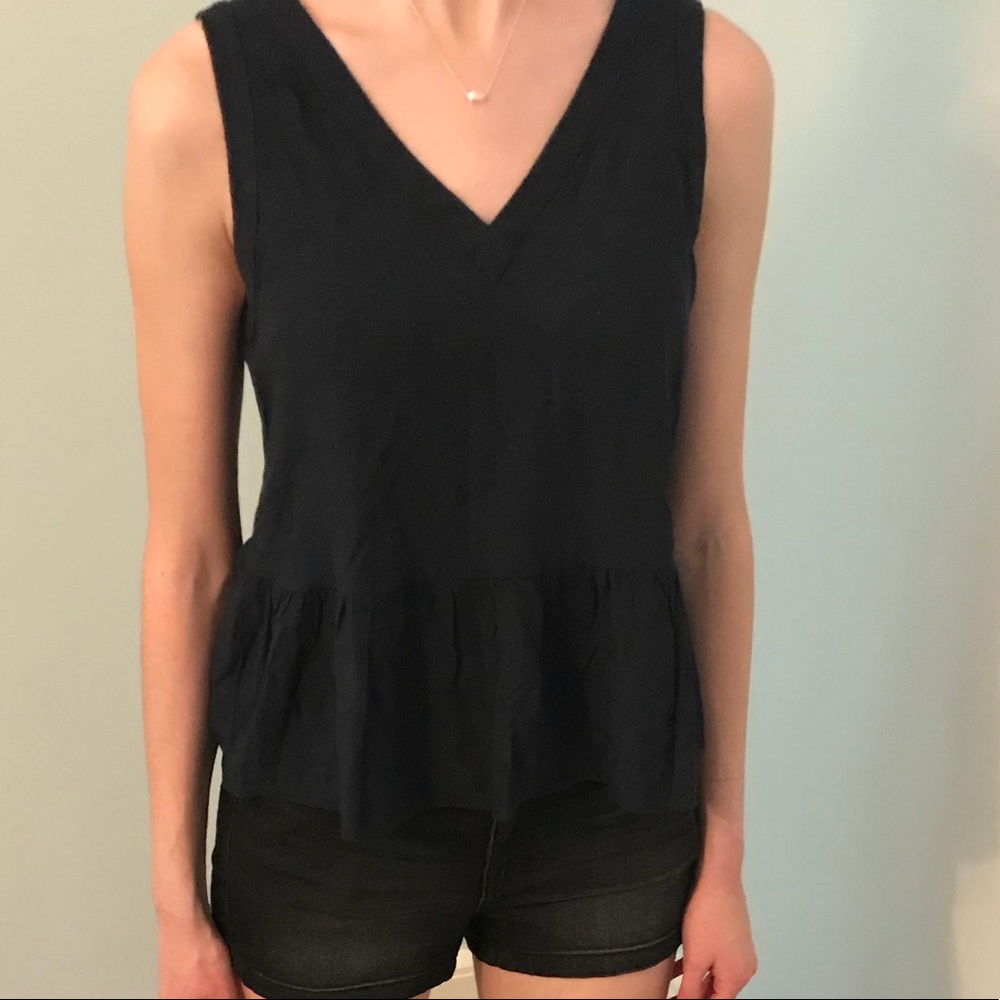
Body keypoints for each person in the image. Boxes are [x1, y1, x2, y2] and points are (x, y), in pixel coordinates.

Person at [124, 0, 772, 997]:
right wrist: (175, 901)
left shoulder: (707, 79)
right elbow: (191, 552)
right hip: (326, 786)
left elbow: (708, 526)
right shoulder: (206, 92)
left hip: (607, 782)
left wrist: (723, 850)